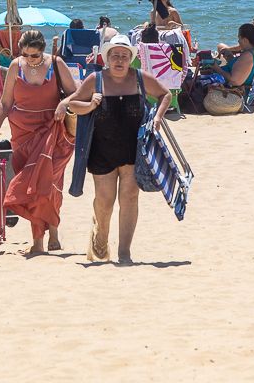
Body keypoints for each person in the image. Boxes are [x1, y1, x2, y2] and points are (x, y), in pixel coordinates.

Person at [58, 34, 171, 265]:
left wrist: (158, 118)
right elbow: (74, 103)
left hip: (133, 151)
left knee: (129, 198)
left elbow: (165, 95)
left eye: (124, 56)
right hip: (101, 150)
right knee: (105, 201)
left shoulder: (140, 78)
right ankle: (100, 238)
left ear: (131, 59)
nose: (119, 60)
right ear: (107, 58)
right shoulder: (96, 79)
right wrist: (90, 104)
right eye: (115, 56)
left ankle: (124, 252)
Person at [0, 30, 77, 255]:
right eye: (25, 54)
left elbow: (76, 94)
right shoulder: (15, 66)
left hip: (53, 130)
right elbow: (5, 103)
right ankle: (40, 239)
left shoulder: (56, 64)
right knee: (31, 186)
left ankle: (50, 232)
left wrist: (64, 103)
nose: (29, 59)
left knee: (50, 183)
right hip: (22, 134)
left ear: (42, 50)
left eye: (34, 55)